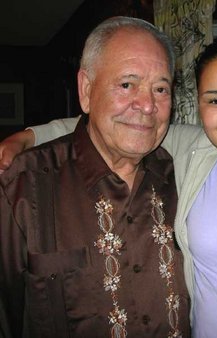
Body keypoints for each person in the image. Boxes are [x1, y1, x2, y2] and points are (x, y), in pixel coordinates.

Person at [0, 36, 217, 338]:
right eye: (215, 100)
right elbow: (115, 123)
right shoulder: (194, 150)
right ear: (199, 109)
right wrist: (30, 136)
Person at [0, 16, 190, 338]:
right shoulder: (21, 188)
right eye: (127, 84)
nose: (147, 105)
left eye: (160, 88)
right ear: (86, 90)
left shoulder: (188, 174)